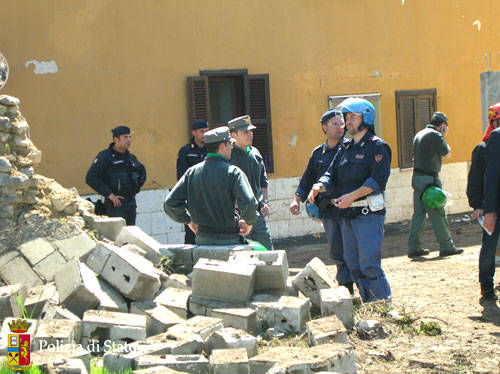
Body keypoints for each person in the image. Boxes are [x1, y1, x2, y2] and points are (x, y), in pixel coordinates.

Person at [308, 98, 392, 302]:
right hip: (347, 215)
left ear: (367, 118)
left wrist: (351, 196)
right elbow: (331, 174)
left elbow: (376, 181)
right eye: (346, 117)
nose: (347, 121)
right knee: (353, 264)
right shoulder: (345, 149)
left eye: (353, 117)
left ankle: (383, 304)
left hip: (367, 214)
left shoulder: (378, 147)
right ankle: (368, 303)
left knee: (369, 264)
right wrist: (319, 186)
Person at [290, 109, 354, 293]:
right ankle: (346, 289)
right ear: (324, 128)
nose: (340, 127)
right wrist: (296, 200)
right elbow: (307, 180)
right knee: (337, 251)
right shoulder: (318, 153)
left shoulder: (350, 149)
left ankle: (361, 288)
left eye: (342, 123)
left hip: (349, 209)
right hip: (328, 211)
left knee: (352, 250)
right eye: (335, 124)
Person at [164, 126, 258, 246]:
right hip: (229, 240)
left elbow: (170, 203)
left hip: (202, 239)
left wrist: (188, 220)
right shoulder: (233, 172)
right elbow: (249, 202)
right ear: (222, 146)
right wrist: (249, 223)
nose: (232, 147)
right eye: (230, 144)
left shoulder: (192, 172)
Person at [407, 112, 464, 258]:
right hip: (429, 180)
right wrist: (443, 136)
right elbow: (448, 153)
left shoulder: (419, 134)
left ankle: (414, 247)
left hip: (417, 178)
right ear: (442, 125)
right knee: (438, 213)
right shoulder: (435, 135)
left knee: (419, 214)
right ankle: (446, 246)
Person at [228, 115, 273, 250]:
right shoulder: (228, 156)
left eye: (251, 131)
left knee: (267, 251)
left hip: (256, 214)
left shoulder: (255, 153)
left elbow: (263, 182)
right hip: (237, 215)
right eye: (245, 132)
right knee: (242, 253)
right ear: (233, 135)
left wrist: (265, 202)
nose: (250, 134)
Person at [86, 126, 146, 225]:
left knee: (130, 235)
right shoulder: (105, 157)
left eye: (130, 137)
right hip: (115, 205)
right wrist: (110, 195)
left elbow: (141, 173)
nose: (129, 140)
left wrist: (135, 189)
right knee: (117, 236)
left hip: (130, 204)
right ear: (116, 139)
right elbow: (91, 178)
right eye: (125, 137)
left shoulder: (131, 158)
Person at [470, 103, 500, 301]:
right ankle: (487, 287)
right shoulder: (482, 148)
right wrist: (481, 206)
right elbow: (481, 179)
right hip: (493, 206)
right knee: (489, 247)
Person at [176, 119, 209, 244]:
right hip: (192, 198)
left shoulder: (211, 149)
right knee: (191, 232)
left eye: (207, 131)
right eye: (202, 131)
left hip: (209, 196)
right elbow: (181, 176)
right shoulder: (185, 151)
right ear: (194, 133)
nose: (205, 134)